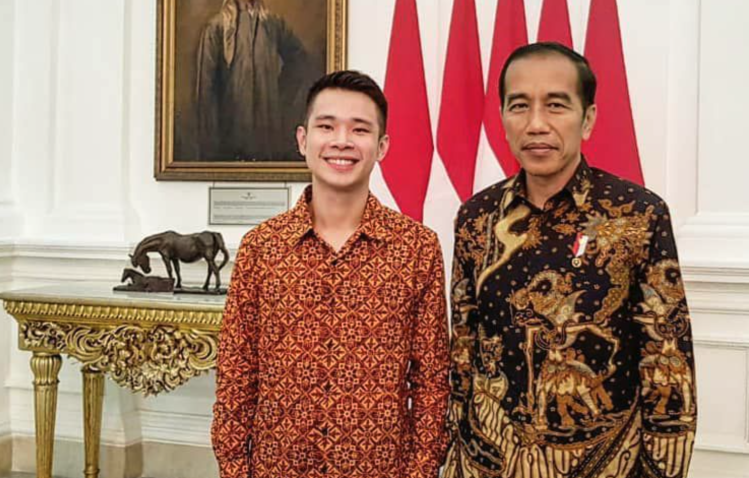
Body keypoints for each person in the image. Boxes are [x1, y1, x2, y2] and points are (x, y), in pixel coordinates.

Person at [442, 43, 697, 478]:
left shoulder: (638, 214)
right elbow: (464, 346)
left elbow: (667, 355)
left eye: (556, 105)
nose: (536, 124)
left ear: (588, 119)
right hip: (490, 461)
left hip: (607, 463)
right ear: (502, 117)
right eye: (519, 106)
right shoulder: (476, 217)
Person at [212, 70, 450, 478]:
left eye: (360, 129)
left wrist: (421, 470)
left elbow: (431, 381)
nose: (342, 140)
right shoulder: (261, 248)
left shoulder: (417, 249)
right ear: (303, 140)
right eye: (327, 126)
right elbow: (236, 373)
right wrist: (234, 469)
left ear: (382, 146)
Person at [195, 0, 318, 162]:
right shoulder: (216, 28)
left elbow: (300, 60)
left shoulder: (273, 24)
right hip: (231, 134)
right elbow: (206, 92)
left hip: (268, 131)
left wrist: (279, 92)